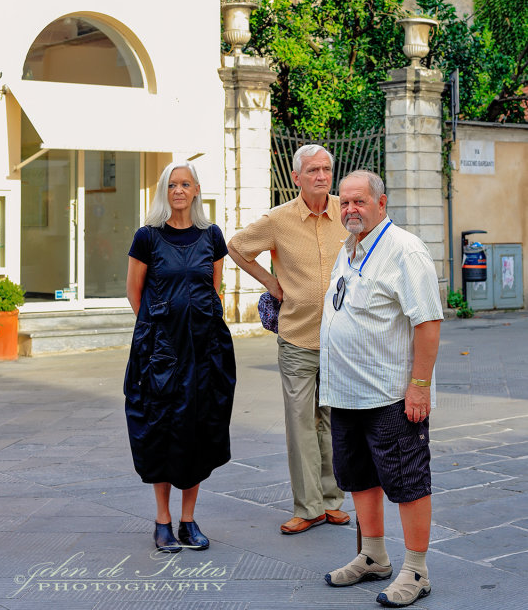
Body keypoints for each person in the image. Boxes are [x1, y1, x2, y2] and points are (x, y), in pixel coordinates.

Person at [320, 170, 443, 607]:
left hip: (390, 394)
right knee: (358, 477)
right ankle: (372, 556)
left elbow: (427, 322)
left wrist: (420, 387)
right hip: (345, 392)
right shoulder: (349, 248)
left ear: (381, 203)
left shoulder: (405, 250)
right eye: (345, 203)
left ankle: (416, 570)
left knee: (408, 480)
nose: (350, 209)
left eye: (359, 202)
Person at [228, 144, 349, 534]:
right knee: (301, 423)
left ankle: (332, 500)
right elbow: (237, 246)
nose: (321, 176)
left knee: (332, 422)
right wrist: (269, 281)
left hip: (341, 339)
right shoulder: (278, 220)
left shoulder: (346, 213)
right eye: (313, 170)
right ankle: (308, 506)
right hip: (297, 336)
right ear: (296, 177)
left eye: (326, 170)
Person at [124, 162, 236, 553]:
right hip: (161, 354)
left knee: (199, 431)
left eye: (185, 184)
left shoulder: (212, 236)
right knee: (160, 430)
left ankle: (189, 520)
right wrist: (159, 333)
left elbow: (213, 289)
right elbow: (134, 292)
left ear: (196, 190)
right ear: (163, 191)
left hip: (206, 352)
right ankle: (163, 520)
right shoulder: (147, 237)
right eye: (172, 185)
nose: (179, 190)